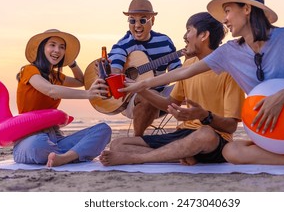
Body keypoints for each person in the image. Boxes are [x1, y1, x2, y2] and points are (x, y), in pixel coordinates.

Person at [120, 0, 284, 168]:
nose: (224, 20)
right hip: (268, 134)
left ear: (247, 9)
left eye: (228, 11)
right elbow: (185, 71)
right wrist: (142, 84)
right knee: (232, 152)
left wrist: (280, 98)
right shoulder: (229, 52)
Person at [99, 12, 244, 166]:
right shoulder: (188, 65)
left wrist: (204, 116)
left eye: (189, 30)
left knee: (205, 134)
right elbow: (169, 104)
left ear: (203, 35)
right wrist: (139, 90)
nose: (184, 36)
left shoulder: (229, 70)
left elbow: (231, 126)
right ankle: (179, 155)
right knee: (119, 144)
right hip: (183, 134)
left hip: (213, 138)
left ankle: (138, 158)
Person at [14, 29, 112, 167]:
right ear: (42, 48)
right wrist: (88, 94)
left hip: (55, 138)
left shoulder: (56, 76)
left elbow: (80, 81)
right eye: (52, 45)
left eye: (62, 47)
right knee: (39, 144)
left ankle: (64, 158)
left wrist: (72, 63)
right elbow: (50, 90)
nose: (57, 50)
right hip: (30, 138)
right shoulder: (29, 70)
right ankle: (73, 154)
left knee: (103, 130)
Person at [107, 0, 182, 136]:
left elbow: (179, 72)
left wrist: (191, 58)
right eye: (132, 20)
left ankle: (194, 128)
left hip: (163, 95)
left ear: (152, 21)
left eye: (142, 20)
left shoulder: (164, 41)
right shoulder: (123, 45)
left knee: (192, 86)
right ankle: (137, 139)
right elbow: (115, 71)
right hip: (130, 100)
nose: (137, 25)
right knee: (149, 96)